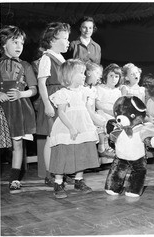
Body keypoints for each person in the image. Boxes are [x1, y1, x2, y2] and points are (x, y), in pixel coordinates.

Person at [49, 59, 100, 199]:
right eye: (81, 73)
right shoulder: (63, 93)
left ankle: (79, 180)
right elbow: (61, 113)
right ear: (70, 75)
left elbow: (90, 111)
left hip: (83, 126)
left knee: (81, 152)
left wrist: (100, 122)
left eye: (85, 73)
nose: (84, 76)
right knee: (63, 153)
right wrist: (71, 127)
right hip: (67, 127)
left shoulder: (86, 91)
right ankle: (58, 182)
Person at [0, 25, 37, 193]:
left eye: (21, 43)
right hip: (0, 108)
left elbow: (34, 89)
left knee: (18, 143)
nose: (19, 46)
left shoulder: (26, 65)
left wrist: (22, 94)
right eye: (14, 42)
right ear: (3, 43)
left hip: (17, 108)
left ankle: (14, 179)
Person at [36, 22, 71, 186]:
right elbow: (42, 84)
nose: (68, 41)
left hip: (62, 101)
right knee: (52, 138)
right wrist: (48, 105)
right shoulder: (46, 58)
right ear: (52, 40)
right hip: (51, 100)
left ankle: (61, 172)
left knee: (62, 138)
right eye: (64, 38)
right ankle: (50, 174)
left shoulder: (62, 58)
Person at [84, 61, 115, 158]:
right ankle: (101, 149)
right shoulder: (83, 89)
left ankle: (104, 148)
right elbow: (87, 108)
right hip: (85, 116)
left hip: (91, 114)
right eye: (97, 73)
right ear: (89, 73)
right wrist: (97, 119)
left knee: (104, 121)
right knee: (101, 124)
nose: (99, 77)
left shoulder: (93, 88)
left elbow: (93, 106)